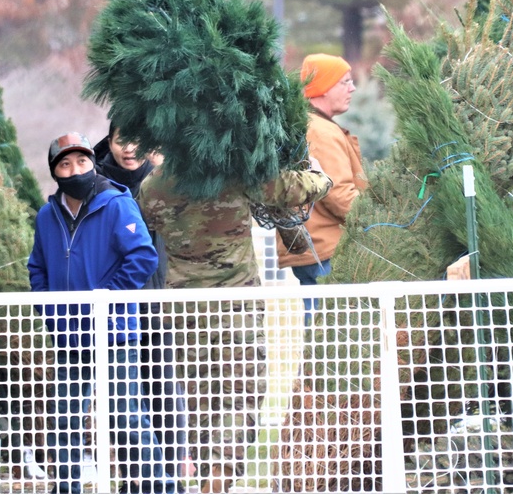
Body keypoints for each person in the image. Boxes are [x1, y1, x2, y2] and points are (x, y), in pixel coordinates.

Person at [138, 161, 332, 494]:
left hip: (186, 310)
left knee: (201, 401)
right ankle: (220, 472)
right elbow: (294, 189)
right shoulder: (236, 171)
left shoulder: (154, 184)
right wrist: (320, 175)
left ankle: (208, 475)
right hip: (236, 304)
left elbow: (148, 217)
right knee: (241, 397)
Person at [28, 132, 175, 494]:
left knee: (127, 416)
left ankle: (162, 486)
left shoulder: (116, 204)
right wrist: (50, 310)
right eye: (65, 163)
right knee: (63, 419)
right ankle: (66, 487)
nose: (75, 169)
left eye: (81, 161)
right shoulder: (48, 215)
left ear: (92, 163)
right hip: (69, 338)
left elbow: (143, 256)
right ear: (55, 171)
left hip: (116, 333)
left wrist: (106, 299)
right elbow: (37, 268)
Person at [94, 124, 189, 491]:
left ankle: (170, 480)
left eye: (137, 140)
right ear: (110, 140)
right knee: (123, 401)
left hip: (157, 303)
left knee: (163, 391)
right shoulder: (94, 182)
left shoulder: (164, 179)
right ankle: (135, 482)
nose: (128, 148)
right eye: (121, 139)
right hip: (115, 311)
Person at [278, 54, 368, 326]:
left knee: (325, 337)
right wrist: (377, 224)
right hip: (327, 250)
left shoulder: (317, 125)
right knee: (331, 338)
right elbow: (338, 194)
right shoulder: (319, 131)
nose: (352, 88)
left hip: (318, 246)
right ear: (323, 88)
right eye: (345, 82)